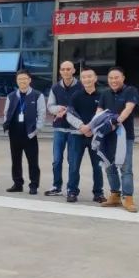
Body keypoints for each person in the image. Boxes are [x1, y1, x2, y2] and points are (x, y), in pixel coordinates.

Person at [98, 66, 139, 213]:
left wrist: (116, 121)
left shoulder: (131, 91)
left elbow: (128, 108)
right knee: (109, 166)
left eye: (116, 77)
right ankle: (115, 195)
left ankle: (128, 198)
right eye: (111, 78)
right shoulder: (105, 94)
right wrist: (95, 125)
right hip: (108, 137)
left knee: (126, 168)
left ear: (123, 78)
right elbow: (99, 112)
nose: (113, 80)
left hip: (124, 137)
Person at [64, 67, 106, 204]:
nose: (87, 79)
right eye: (84, 77)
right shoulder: (76, 95)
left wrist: (92, 129)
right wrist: (82, 127)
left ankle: (98, 193)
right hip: (77, 135)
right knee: (74, 165)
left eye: (89, 76)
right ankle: (72, 191)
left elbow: (105, 116)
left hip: (96, 136)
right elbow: (69, 114)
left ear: (95, 78)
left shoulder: (103, 95)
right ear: (81, 80)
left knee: (97, 166)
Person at [2, 69, 46, 194]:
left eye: (25, 79)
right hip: (14, 133)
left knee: (33, 161)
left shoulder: (37, 95)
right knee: (15, 160)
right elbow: (6, 112)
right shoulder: (11, 96)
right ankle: (17, 184)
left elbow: (42, 114)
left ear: (29, 80)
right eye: (20, 79)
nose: (22, 81)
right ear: (17, 81)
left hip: (30, 133)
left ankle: (34, 185)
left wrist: (36, 130)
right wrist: (7, 125)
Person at [45, 61, 79, 196]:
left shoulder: (81, 86)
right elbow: (50, 106)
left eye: (68, 69)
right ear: (60, 71)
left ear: (74, 70)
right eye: (63, 69)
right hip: (59, 128)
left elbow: (83, 105)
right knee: (57, 160)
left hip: (75, 129)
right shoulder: (55, 87)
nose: (66, 71)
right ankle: (56, 186)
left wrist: (69, 110)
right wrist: (58, 108)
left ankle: (71, 189)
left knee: (73, 161)